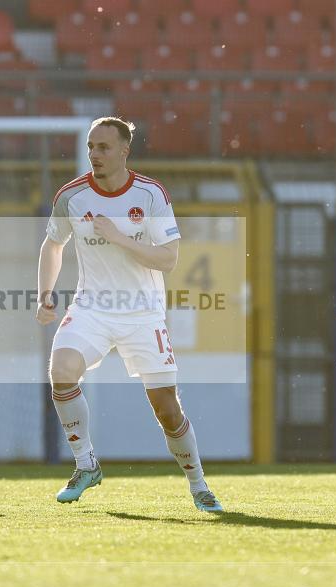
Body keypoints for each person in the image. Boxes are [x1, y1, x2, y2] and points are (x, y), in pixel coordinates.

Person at [36, 116, 223, 513]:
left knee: (167, 410)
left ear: (124, 150)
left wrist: (118, 237)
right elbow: (52, 245)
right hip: (92, 308)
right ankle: (86, 464)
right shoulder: (72, 197)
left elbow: (169, 259)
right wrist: (45, 294)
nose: (94, 154)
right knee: (62, 369)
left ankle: (199, 485)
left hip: (143, 314)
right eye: (90, 147)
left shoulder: (150, 194)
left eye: (103, 147)